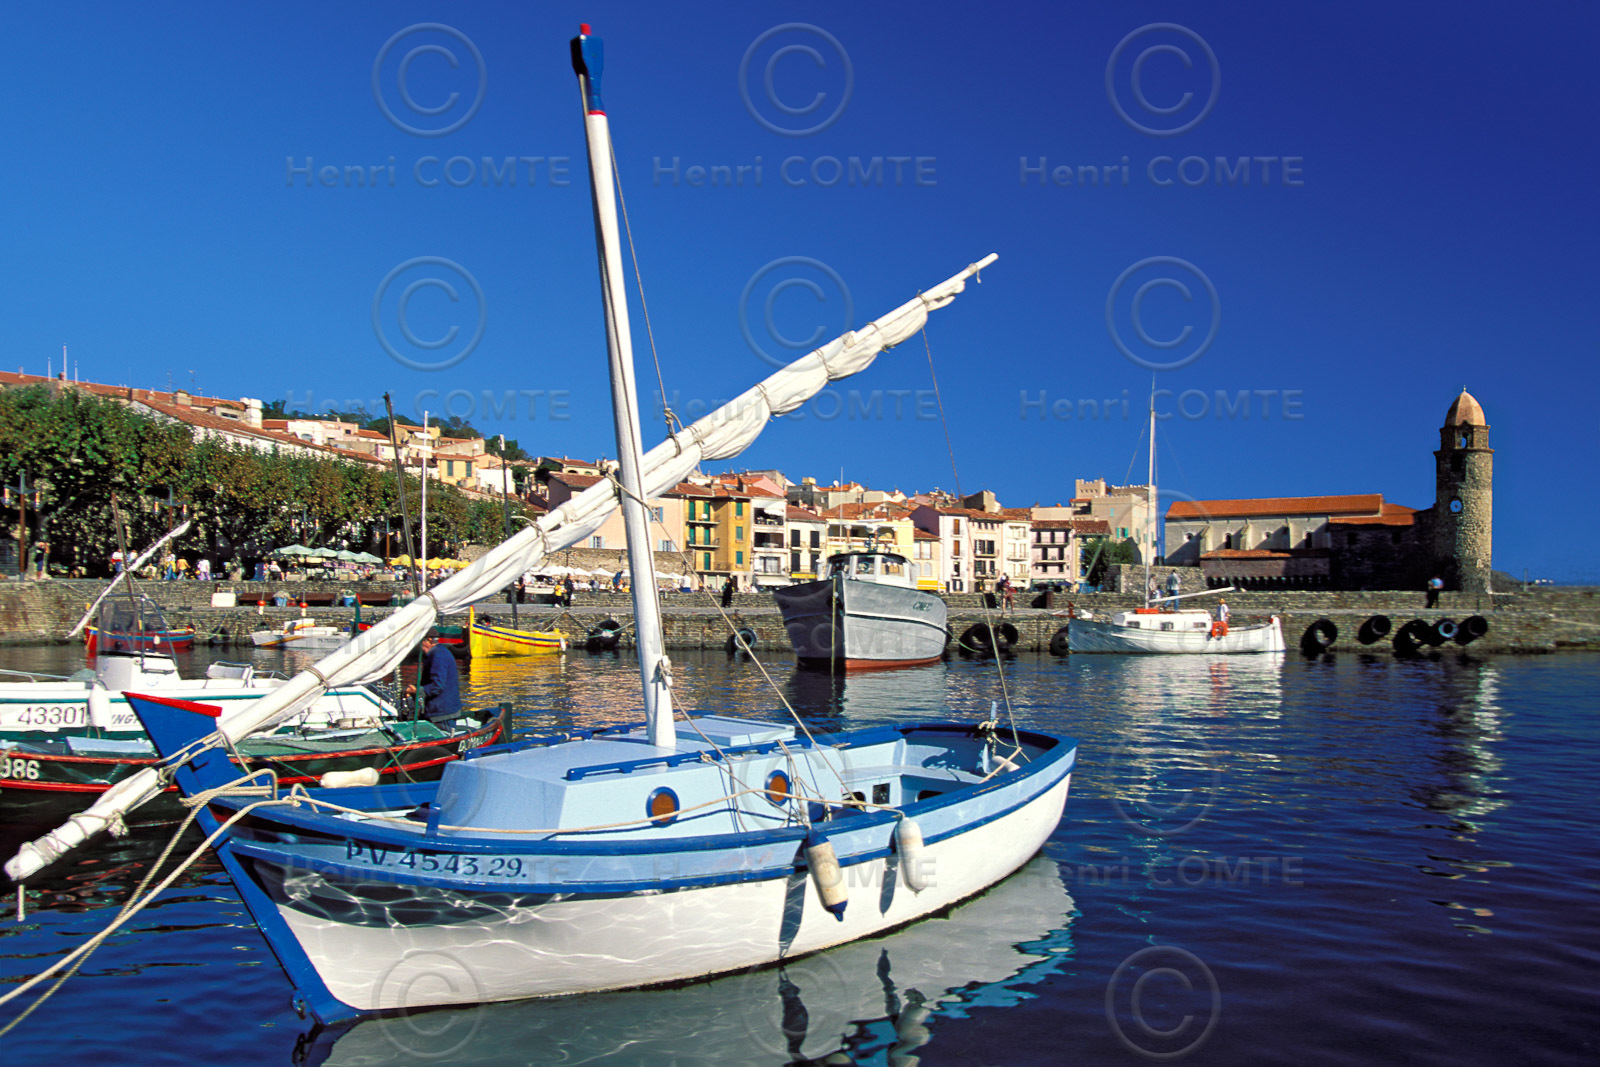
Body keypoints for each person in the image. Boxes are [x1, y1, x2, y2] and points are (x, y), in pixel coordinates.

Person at [404, 628, 460, 724]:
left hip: (442, 714)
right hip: (440, 710)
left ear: (428, 641)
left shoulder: (438, 655)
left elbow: (437, 686)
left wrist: (417, 691)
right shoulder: (439, 652)